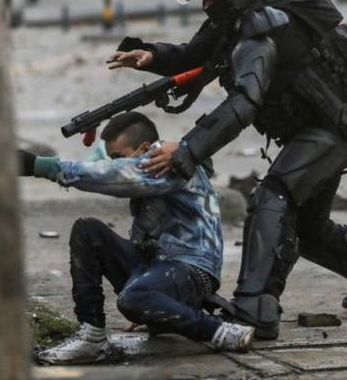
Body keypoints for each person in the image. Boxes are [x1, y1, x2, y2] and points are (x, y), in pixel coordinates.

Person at [109, 0, 347, 340]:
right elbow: (195, 55)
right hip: (329, 124)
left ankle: (255, 306)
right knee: (309, 226)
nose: (200, 0)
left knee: (272, 197)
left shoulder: (260, 30)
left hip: (335, 127)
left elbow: (242, 104)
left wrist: (187, 149)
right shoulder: (236, 20)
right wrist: (151, 56)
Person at [19, 112, 254, 364]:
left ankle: (218, 331)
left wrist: (41, 166)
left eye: (119, 157)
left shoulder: (168, 162)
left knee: (133, 299)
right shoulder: (159, 161)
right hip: (155, 264)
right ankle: (92, 337)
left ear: (144, 148)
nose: (115, 164)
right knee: (87, 230)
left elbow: (115, 175)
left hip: (192, 270)